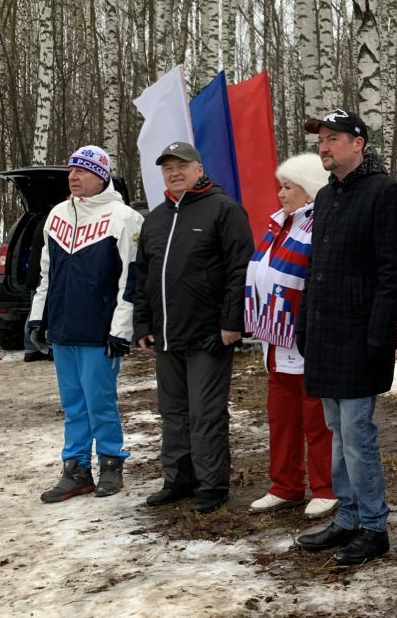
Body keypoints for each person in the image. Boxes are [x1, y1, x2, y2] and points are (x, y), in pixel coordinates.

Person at [294, 110, 397, 566]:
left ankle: (373, 525)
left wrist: (381, 331)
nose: (324, 146)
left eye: (334, 138)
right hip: (325, 333)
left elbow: (393, 271)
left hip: (361, 335)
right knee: (335, 432)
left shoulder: (385, 193)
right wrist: (304, 322)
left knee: (357, 433)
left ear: (358, 143)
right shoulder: (325, 198)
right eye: (321, 139)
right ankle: (347, 516)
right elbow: (315, 269)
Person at [134, 141, 254, 514]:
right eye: (168, 167)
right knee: (173, 412)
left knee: (205, 413)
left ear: (199, 169)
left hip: (208, 335)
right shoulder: (155, 219)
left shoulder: (223, 210)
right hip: (167, 335)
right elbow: (142, 277)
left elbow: (240, 269)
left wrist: (233, 322)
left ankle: (212, 483)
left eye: (182, 165)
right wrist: (143, 323)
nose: (175, 172)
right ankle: (178, 479)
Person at [29, 145, 143, 502]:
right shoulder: (57, 215)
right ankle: (76, 469)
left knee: (100, 402)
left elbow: (131, 280)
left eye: (83, 171)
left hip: (100, 332)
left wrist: (121, 330)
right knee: (73, 403)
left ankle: (111, 463)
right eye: (72, 171)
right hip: (63, 327)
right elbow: (46, 275)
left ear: (102, 176)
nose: (74, 177)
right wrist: (37, 318)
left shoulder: (123, 217)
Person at [243, 153, 338, 520]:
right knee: (281, 418)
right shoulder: (277, 225)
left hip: (305, 337)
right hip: (275, 338)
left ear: (309, 189)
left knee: (316, 419)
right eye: (280, 186)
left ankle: (325, 486)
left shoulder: (316, 225)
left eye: (289, 186)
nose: (281, 193)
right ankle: (285, 484)